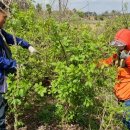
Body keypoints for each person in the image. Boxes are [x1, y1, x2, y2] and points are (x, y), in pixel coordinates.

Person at [0, 1, 37, 129]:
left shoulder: (0, 31)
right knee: (0, 113)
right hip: (0, 78)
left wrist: (28, 45)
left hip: (3, 76)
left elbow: (11, 38)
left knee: (3, 106)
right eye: (4, 18)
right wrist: (16, 64)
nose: (5, 21)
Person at [101, 28, 130, 130]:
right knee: (123, 121)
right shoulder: (118, 55)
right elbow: (106, 62)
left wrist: (128, 58)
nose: (119, 48)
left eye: (121, 45)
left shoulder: (127, 56)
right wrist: (91, 65)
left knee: (128, 122)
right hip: (121, 96)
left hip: (128, 98)